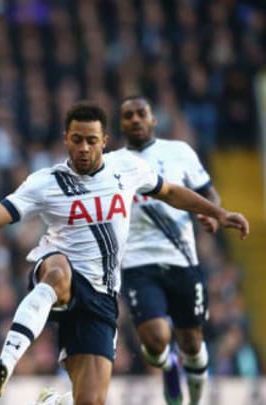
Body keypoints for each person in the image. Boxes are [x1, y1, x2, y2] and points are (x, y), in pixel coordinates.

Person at [0, 101, 248, 404]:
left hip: (102, 296)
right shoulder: (46, 182)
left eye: (91, 141)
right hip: (61, 273)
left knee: (90, 400)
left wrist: (218, 213)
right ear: (65, 140)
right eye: (76, 140)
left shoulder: (126, 168)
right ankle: (4, 363)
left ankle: (54, 402)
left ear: (105, 141)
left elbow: (170, 192)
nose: (84, 148)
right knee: (58, 273)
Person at [119, 96, 222, 405]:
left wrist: (213, 213)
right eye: (128, 116)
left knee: (191, 342)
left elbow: (209, 191)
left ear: (153, 119)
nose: (135, 120)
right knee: (156, 338)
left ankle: (194, 401)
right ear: (120, 124)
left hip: (182, 259)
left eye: (141, 114)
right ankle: (168, 365)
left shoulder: (179, 152)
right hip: (137, 261)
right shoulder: (112, 162)